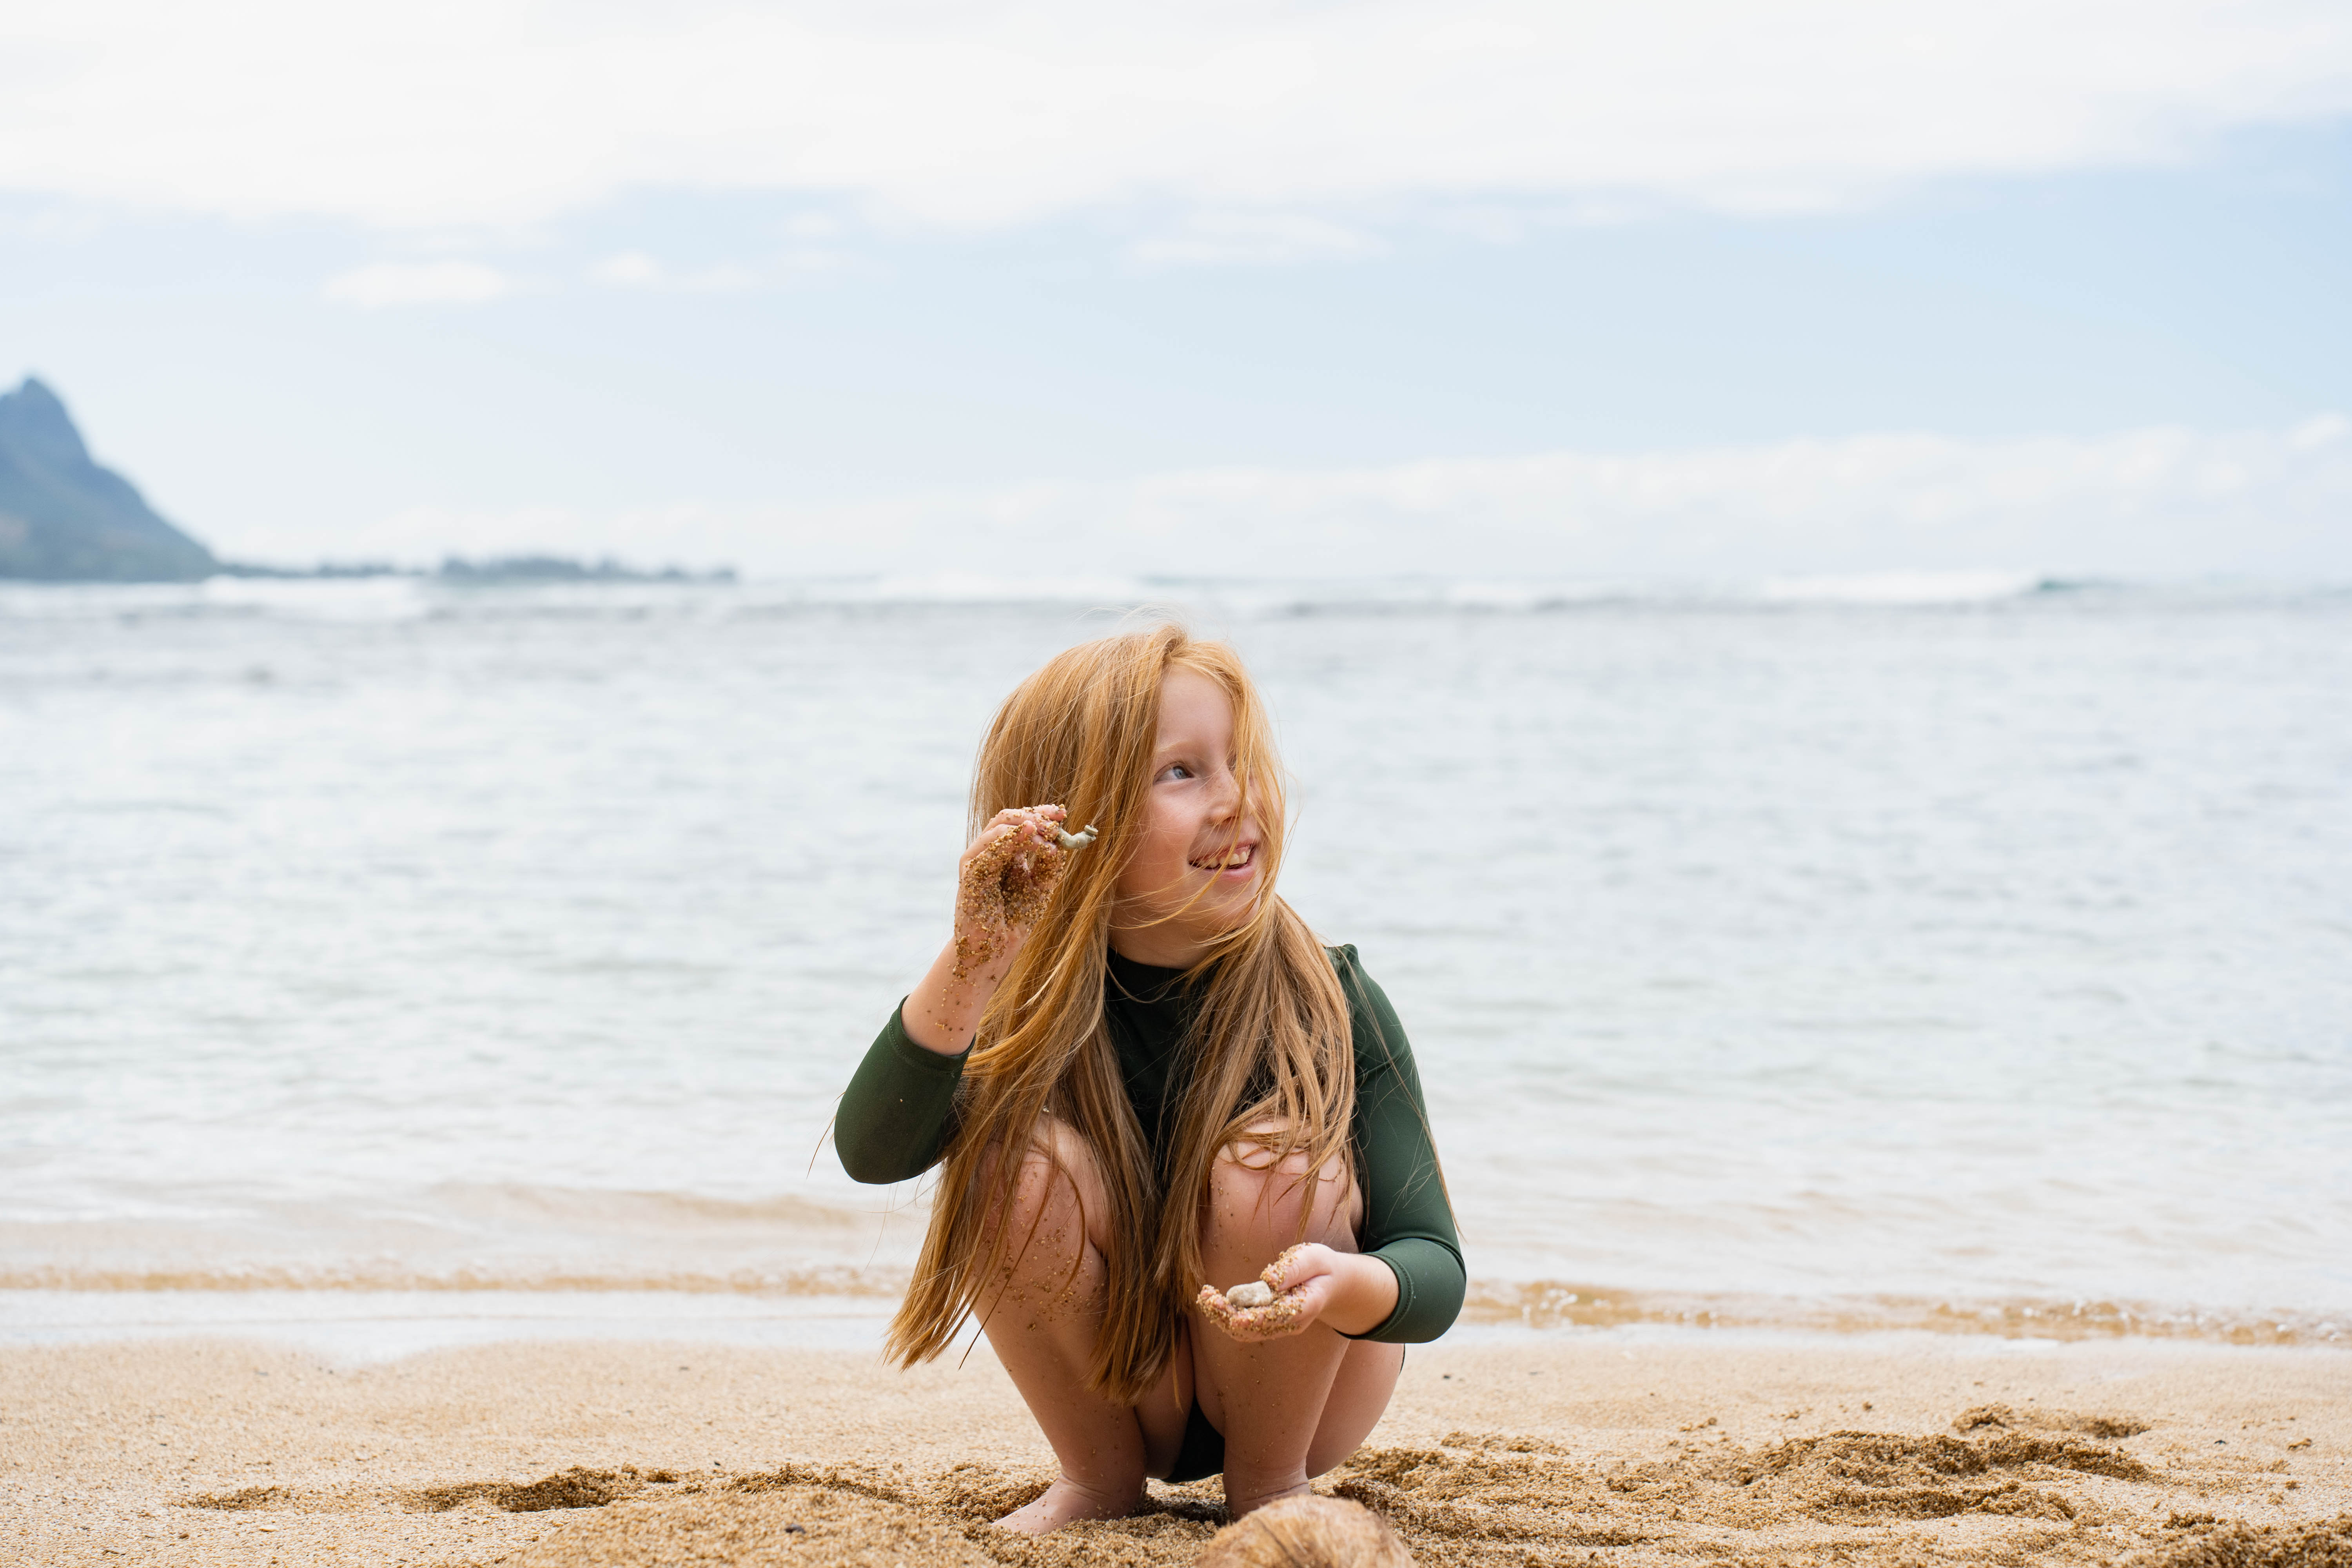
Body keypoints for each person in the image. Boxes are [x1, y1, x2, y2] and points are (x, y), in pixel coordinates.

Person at [834, 623, 1463, 1534]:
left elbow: (1435, 1263)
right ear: (1074, 821)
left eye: (1241, 760)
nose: (1236, 796)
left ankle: (1269, 1483)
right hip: (1129, 1379)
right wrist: (975, 959)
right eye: (1183, 771)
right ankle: (1098, 1479)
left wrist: (1349, 1282)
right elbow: (874, 1151)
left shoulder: (1330, 995)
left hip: (1309, 1386)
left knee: (1276, 1166)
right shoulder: (1029, 1002)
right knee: (1009, 1161)